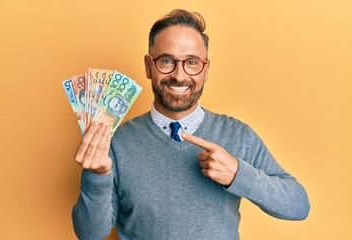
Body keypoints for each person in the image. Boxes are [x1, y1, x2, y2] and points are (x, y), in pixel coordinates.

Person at [72, 9, 310, 240]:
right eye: (167, 61)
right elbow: (90, 234)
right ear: (148, 66)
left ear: (206, 70)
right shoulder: (116, 142)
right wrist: (97, 176)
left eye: (192, 62)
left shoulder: (239, 135)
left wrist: (238, 174)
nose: (179, 75)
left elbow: (298, 205)